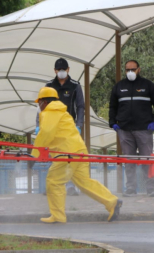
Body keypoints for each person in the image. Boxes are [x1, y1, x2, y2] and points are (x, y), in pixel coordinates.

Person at [32, 87, 122, 223]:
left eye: (39, 102)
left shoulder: (50, 111)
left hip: (66, 153)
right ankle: (112, 201)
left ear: (44, 101)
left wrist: (35, 155)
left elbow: (46, 133)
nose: (39, 106)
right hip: (79, 150)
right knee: (84, 181)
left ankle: (58, 216)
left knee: (54, 181)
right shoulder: (62, 111)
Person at [108, 60, 154, 197]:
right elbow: (112, 106)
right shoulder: (119, 87)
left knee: (147, 160)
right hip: (124, 130)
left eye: (133, 69)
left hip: (144, 129)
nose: (130, 72)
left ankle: (151, 188)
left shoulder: (148, 85)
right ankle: (131, 188)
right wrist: (112, 123)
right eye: (127, 70)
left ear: (139, 69)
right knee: (129, 161)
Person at [35, 58, 83, 196]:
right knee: (53, 157)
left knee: (70, 157)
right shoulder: (49, 85)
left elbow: (80, 106)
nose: (61, 72)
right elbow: (40, 106)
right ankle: (52, 186)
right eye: (58, 70)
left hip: (68, 128)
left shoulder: (75, 86)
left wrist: (79, 125)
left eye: (64, 69)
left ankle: (70, 187)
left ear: (68, 69)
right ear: (55, 71)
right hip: (51, 127)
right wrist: (38, 126)